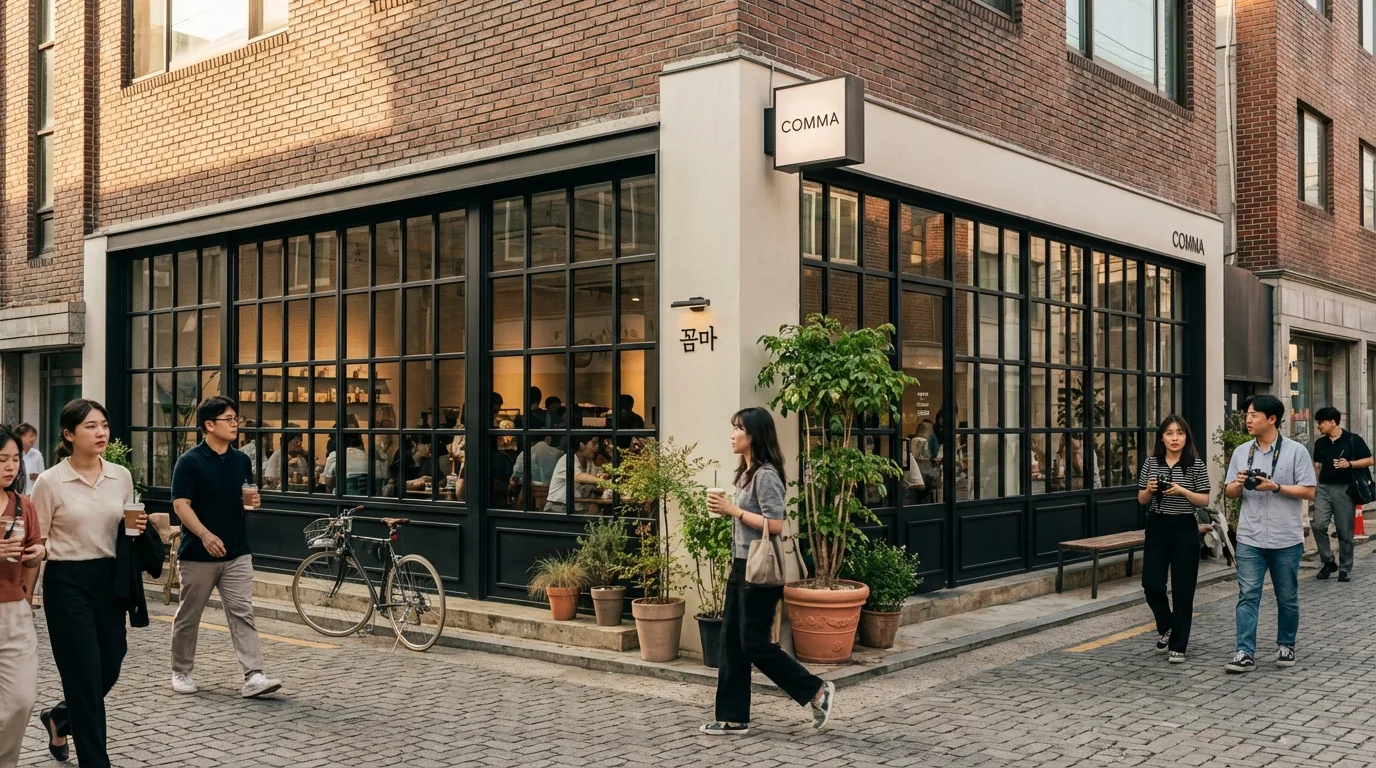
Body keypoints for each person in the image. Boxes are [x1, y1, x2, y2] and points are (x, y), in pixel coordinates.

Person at [701, 407, 835, 736]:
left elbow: (775, 524)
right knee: (731, 643)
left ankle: (816, 691)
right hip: (742, 565)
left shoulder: (766, 475)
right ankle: (733, 718)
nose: (732, 435)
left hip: (760, 572)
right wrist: (729, 511)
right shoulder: (746, 473)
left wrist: (733, 510)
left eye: (738, 428)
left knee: (753, 644)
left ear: (754, 435)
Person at [32, 399, 146, 768]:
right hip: (67, 581)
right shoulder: (50, 481)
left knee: (110, 664)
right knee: (83, 673)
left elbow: (126, 527)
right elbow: (38, 540)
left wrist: (138, 529)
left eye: (104, 425)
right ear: (68, 434)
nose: (101, 433)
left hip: (110, 579)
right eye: (91, 426)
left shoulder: (120, 475)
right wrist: (26, 597)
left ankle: (60, 717)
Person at [170, 397, 283, 699]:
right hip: (197, 554)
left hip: (237, 551)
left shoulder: (241, 460)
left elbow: (245, 497)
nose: (235, 424)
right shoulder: (189, 462)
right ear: (209, 425)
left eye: (236, 418)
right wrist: (205, 535)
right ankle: (181, 671)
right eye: (228, 419)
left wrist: (253, 502)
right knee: (189, 615)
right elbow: (181, 505)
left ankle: (254, 675)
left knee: (242, 612)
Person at [1224, 394, 1316, 674]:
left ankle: (1286, 645)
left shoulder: (1296, 451)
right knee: (1247, 595)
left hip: (1285, 538)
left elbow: (1309, 491)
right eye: (1247, 415)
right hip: (1249, 537)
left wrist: (1275, 487)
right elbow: (1229, 492)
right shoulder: (1241, 452)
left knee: (1286, 597)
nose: (1248, 420)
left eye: (1254, 415)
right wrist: (1239, 484)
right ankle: (1244, 652)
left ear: (1272, 419)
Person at [1135, 415, 1212, 664]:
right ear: (1162, 438)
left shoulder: (1195, 464)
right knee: (1152, 585)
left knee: (1183, 589)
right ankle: (1167, 624)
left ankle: (1178, 644)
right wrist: (1149, 490)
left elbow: (1204, 500)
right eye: (1169, 433)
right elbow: (1141, 499)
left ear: (1186, 437)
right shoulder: (1151, 463)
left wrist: (1181, 490)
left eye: (1179, 433)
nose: (1174, 438)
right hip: (1157, 526)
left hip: (1184, 527)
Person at [0, 425, 43, 767]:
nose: (11, 466)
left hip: (14, 612)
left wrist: (37, 554)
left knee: (21, 699)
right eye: (2, 459)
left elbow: (32, 555)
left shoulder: (23, 506)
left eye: (15, 459)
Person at [1309, 406, 1371, 582]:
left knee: (1344, 531)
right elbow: (1317, 465)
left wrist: (1349, 464)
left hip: (1345, 489)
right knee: (1318, 525)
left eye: (1321, 422)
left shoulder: (1353, 439)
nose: (1319, 426)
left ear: (1333, 422)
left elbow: (1370, 460)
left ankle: (1345, 567)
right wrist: (1313, 487)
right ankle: (1328, 561)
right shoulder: (1320, 443)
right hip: (1323, 488)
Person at [543, 436, 606, 513]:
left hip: (577, 508)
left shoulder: (589, 462)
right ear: (582, 445)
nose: (596, 447)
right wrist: (603, 481)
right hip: (558, 507)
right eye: (594, 444)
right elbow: (579, 477)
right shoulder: (568, 459)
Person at [14, 424, 43, 496]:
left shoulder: (37, 454)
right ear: (20, 436)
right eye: (31, 436)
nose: (34, 439)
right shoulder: (13, 453)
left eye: (35, 436)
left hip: (32, 497)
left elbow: (42, 478)